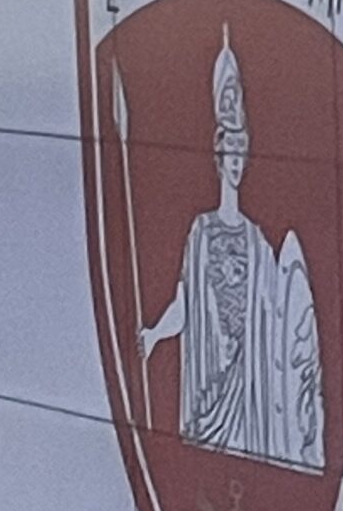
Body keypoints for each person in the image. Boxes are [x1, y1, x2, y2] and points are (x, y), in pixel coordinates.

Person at [139, 28, 326, 472]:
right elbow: (186, 302)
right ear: (218, 159)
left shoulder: (258, 241)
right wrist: (155, 334)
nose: (238, 164)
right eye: (231, 155)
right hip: (209, 383)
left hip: (249, 386)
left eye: (243, 155)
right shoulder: (201, 232)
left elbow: (280, 319)